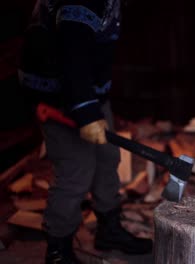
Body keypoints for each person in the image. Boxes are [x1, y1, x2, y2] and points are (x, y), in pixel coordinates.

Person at [19, 0, 152, 263]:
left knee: (107, 157)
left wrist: (93, 104)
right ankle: (59, 248)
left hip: (89, 91)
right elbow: (73, 56)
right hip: (58, 96)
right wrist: (85, 112)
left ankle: (109, 228)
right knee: (76, 169)